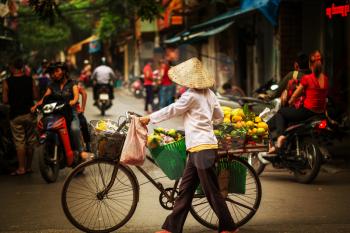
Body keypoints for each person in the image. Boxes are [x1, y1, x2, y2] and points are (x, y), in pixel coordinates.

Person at [139, 58, 238, 233]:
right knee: (185, 190)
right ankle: (171, 228)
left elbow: (172, 110)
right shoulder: (210, 94)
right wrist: (203, 119)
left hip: (202, 149)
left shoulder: (191, 95)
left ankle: (229, 227)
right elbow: (220, 116)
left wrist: (149, 118)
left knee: (212, 192)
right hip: (200, 148)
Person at [267, 50, 329, 153]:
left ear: (310, 64)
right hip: (321, 112)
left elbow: (296, 94)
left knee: (281, 113)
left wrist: (291, 100)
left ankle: (280, 137)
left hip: (307, 111)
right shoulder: (325, 78)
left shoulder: (305, 78)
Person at [31, 62, 88, 161]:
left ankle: (81, 150)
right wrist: (36, 105)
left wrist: (75, 103)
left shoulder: (72, 83)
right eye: (53, 72)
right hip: (56, 112)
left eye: (57, 71)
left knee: (74, 129)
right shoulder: (52, 85)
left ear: (64, 71)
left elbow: (76, 96)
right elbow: (44, 98)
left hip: (70, 112)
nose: (54, 74)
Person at [2, 57, 38, 175]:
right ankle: (28, 167)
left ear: (12, 68)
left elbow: (5, 100)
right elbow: (35, 96)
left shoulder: (7, 82)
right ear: (22, 67)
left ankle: (21, 168)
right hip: (30, 114)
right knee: (31, 141)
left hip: (15, 115)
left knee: (20, 142)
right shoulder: (30, 79)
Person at [76, 82, 90, 152]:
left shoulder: (72, 84)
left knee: (83, 123)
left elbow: (84, 93)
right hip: (58, 111)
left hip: (74, 110)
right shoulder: (52, 85)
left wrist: (82, 108)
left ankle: (88, 145)